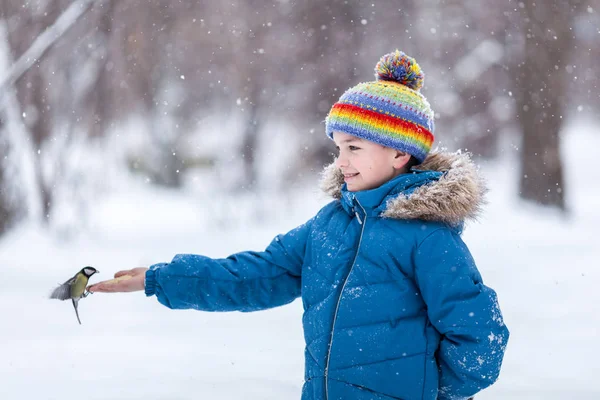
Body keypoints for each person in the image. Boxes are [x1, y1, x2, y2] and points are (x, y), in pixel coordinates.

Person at [89, 50, 509, 400]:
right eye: (339, 147)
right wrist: (163, 279)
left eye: (355, 148)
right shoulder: (329, 226)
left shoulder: (428, 237)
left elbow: (480, 338)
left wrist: (427, 389)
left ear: (400, 154)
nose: (341, 161)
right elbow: (254, 275)